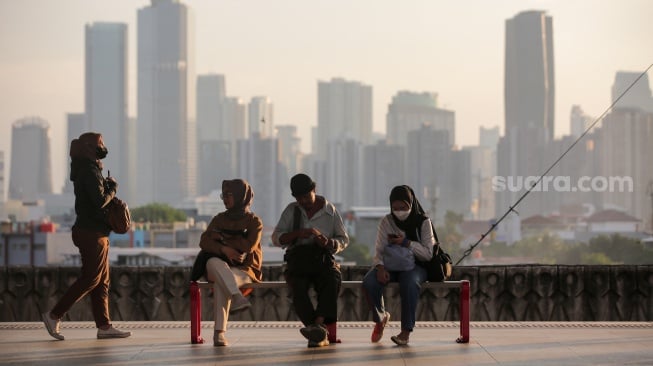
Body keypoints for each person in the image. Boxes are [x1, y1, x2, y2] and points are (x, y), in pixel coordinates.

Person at [42, 132, 131, 340]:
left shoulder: (88, 169)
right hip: (92, 233)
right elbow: (100, 201)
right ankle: (54, 315)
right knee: (91, 278)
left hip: (95, 232)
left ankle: (104, 326)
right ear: (90, 148)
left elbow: (95, 198)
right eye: (100, 144)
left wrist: (105, 185)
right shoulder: (89, 171)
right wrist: (113, 188)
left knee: (102, 281)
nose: (103, 148)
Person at [272, 173, 348, 348]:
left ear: (314, 190)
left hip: (322, 258)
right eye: (300, 198)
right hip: (298, 259)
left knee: (332, 280)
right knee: (297, 287)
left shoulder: (330, 211)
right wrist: (298, 234)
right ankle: (318, 329)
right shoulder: (292, 211)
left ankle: (317, 325)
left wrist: (327, 242)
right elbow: (276, 238)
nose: (304, 202)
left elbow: (344, 239)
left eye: (306, 197)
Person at [362, 185, 435, 346]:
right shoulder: (387, 221)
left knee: (409, 284)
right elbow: (379, 249)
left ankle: (405, 332)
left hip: (416, 266)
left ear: (411, 204)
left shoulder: (423, 222)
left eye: (403, 207)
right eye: (395, 208)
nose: (399, 211)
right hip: (390, 265)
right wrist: (380, 268)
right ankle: (380, 318)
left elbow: (428, 253)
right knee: (369, 282)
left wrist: (406, 243)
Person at [196, 179, 263, 347]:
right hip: (218, 266)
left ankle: (219, 333)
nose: (225, 199)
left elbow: (249, 246)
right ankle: (236, 296)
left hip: (244, 270)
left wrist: (223, 238)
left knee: (221, 281)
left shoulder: (254, 222)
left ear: (242, 196)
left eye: (229, 195)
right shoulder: (219, 219)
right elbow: (204, 241)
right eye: (223, 195)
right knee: (213, 262)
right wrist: (224, 250)